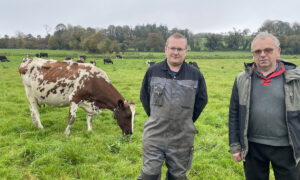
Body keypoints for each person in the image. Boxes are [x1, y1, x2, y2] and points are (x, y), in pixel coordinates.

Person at [229, 31, 300, 180]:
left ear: (278, 51)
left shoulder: (296, 79)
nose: (262, 54)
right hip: (253, 147)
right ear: (252, 54)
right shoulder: (242, 79)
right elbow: (234, 114)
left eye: (268, 50)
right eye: (257, 51)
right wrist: (235, 146)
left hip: (287, 147)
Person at [138, 33, 208, 180]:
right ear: (165, 49)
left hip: (182, 138)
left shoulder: (195, 75)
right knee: (148, 175)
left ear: (186, 51)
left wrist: (186, 120)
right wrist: (157, 116)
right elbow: (145, 97)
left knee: (178, 177)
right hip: (154, 136)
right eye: (173, 48)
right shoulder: (152, 71)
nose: (176, 52)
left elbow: (201, 100)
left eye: (180, 49)